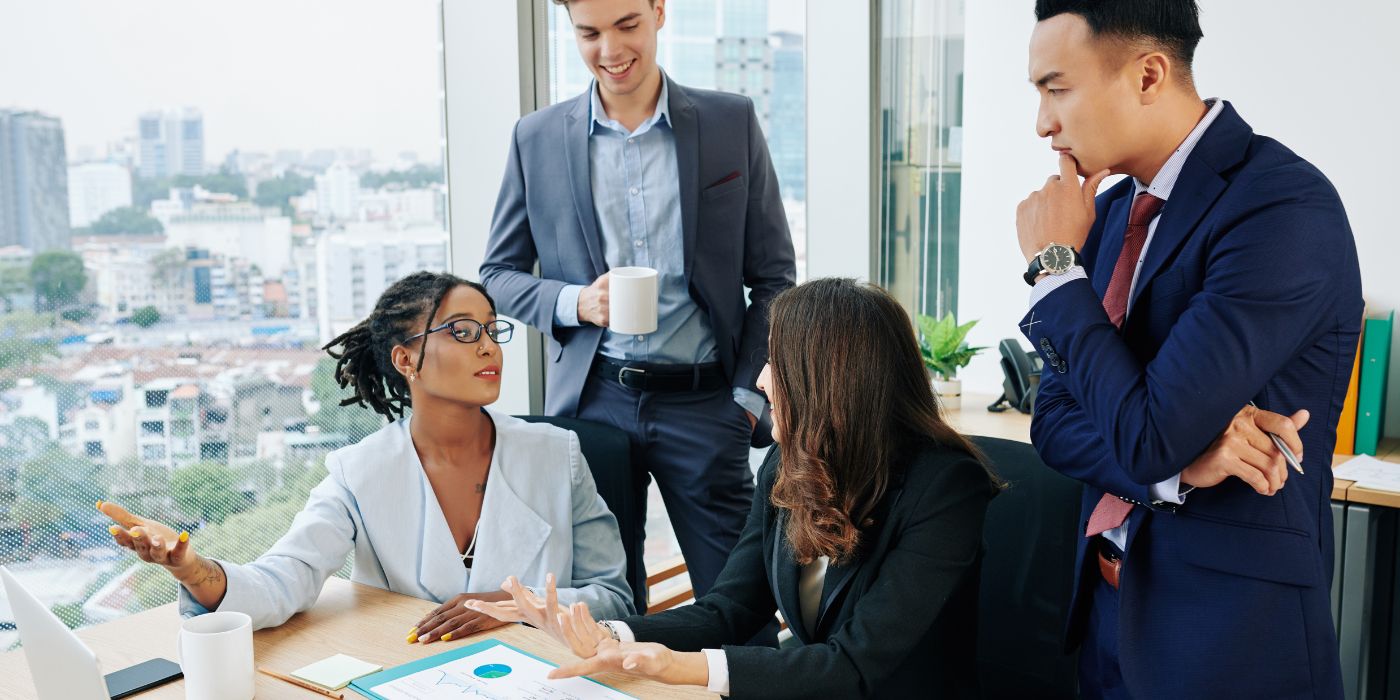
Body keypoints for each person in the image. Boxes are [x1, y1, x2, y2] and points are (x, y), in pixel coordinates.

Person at [1014, 1, 1360, 696]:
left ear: (1147, 75)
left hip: (1229, 638)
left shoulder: (1282, 208)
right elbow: (1052, 420)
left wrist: (1054, 269)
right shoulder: (1109, 214)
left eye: (1057, 89)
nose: (1043, 123)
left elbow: (1145, 433)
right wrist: (1179, 466)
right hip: (1110, 614)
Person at [465, 278, 1000, 698]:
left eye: (778, 363)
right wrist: (609, 635)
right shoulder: (787, 466)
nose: (763, 379)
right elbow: (728, 609)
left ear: (830, 382)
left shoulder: (946, 488)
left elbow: (853, 665)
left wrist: (680, 667)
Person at [97, 271, 633, 642]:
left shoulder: (556, 455)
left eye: (492, 330)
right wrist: (193, 568)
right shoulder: (359, 474)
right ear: (406, 359)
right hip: (417, 678)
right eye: (464, 332)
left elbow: (614, 596)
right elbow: (286, 578)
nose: (489, 347)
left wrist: (515, 606)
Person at [479, 0, 796, 610]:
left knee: (740, 606)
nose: (610, 50)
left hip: (708, 406)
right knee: (605, 609)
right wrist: (578, 302)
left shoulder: (730, 122)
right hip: (594, 404)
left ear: (658, 12)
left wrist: (744, 400)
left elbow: (776, 279)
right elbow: (498, 274)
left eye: (627, 25)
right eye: (589, 33)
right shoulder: (537, 138)